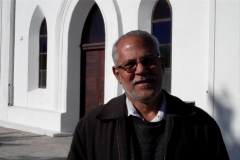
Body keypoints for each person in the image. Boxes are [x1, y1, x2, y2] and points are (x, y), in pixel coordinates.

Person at [68, 30, 229, 160]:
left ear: (162, 64)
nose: (141, 70)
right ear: (117, 74)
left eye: (148, 60)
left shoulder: (200, 125)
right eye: (130, 64)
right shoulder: (91, 127)